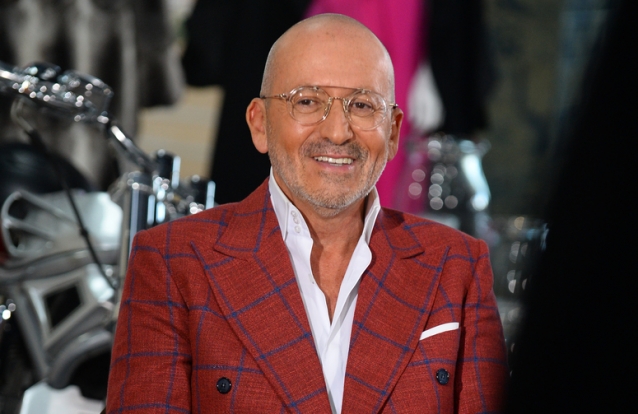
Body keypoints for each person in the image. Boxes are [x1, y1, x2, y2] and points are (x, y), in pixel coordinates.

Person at [106, 14, 507, 413]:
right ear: (259, 124)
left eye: (362, 105)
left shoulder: (457, 266)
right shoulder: (171, 261)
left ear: (392, 131)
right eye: (308, 102)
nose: (337, 132)